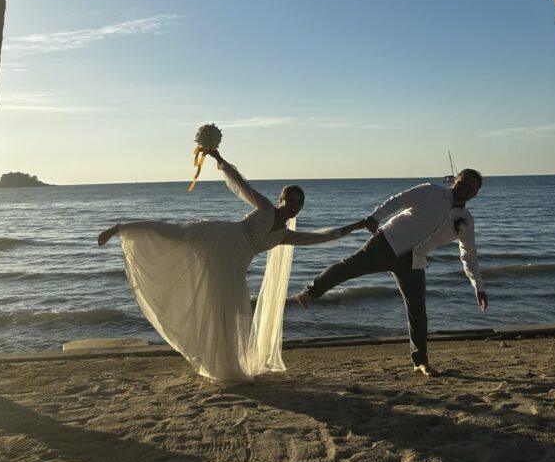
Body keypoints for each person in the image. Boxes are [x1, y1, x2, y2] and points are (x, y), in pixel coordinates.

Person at [98, 149, 366, 383]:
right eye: (291, 200)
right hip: (219, 236)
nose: (295, 206)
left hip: (234, 264)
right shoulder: (266, 207)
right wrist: (219, 159)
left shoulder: (285, 235)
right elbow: (241, 184)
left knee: (231, 311)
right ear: (282, 198)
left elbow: (321, 237)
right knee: (175, 233)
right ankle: (121, 228)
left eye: (299, 203)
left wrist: (355, 227)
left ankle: (225, 367)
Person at [294, 169, 488, 376]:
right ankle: (309, 293)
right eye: (463, 183)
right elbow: (398, 201)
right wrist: (375, 217)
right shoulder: (431, 191)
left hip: (414, 261)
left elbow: (469, 254)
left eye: (470, 188)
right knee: (348, 267)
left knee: (418, 311)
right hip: (387, 242)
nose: (464, 189)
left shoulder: (466, 220)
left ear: (474, 194)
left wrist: (478, 286)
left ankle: (420, 361)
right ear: (455, 180)